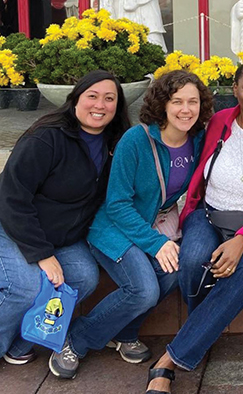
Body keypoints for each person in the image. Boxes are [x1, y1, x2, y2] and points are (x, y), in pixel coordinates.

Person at [145, 54, 243, 394]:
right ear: (235, 89)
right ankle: (199, 334)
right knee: (191, 260)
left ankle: (168, 361)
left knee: (241, 273)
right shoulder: (217, 122)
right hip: (209, 214)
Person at [48, 71, 212, 379]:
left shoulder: (198, 140)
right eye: (177, 101)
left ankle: (124, 334)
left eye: (193, 102)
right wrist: (157, 243)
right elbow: (118, 204)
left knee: (176, 270)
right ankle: (75, 340)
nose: (186, 109)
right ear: (163, 104)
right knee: (143, 290)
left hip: (149, 224)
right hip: (112, 229)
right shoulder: (136, 140)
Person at [0, 70, 130, 365]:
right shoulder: (47, 138)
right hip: (12, 226)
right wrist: (42, 254)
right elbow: (12, 197)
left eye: (109, 98)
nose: (100, 105)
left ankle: (20, 344)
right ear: (75, 100)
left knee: (83, 278)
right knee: (25, 287)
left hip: (61, 236)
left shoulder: (115, 144)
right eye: (92, 96)